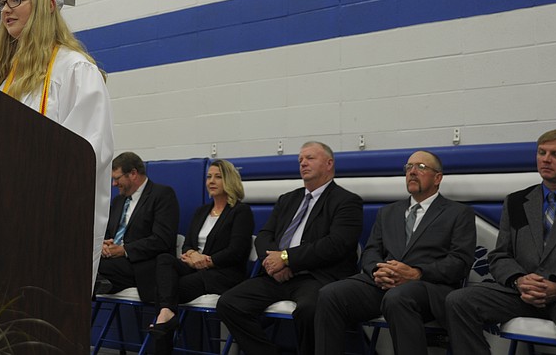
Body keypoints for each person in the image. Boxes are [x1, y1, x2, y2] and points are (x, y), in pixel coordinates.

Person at [0, 0, 114, 290]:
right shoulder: (2, 79)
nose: (7, 9)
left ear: (47, 6)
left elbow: (87, 153)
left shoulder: (75, 70)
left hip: (48, 225)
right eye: (2, 3)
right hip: (0, 220)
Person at [445, 129, 556, 354]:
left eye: (555, 154)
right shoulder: (516, 201)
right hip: (522, 292)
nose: (546, 159)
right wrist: (519, 281)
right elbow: (499, 256)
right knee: (459, 301)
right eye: (541, 152)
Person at [315, 150, 476, 354]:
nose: (412, 172)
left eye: (421, 167)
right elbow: (371, 251)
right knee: (330, 294)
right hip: (384, 283)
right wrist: (377, 270)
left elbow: (460, 262)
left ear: (438, 178)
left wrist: (416, 273)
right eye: (408, 167)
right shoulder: (388, 212)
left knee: (398, 297)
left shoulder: (458, 213)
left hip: (428, 287)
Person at [216, 141, 363, 355]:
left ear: (329, 163)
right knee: (229, 303)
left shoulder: (346, 201)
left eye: (310, 158)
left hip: (316, 277)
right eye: (300, 160)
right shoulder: (288, 199)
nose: (303, 163)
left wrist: (287, 258)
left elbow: (336, 245)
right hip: (277, 276)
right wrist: (275, 262)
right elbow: (264, 236)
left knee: (311, 310)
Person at [149, 159, 255, 354]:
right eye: (208, 177)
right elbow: (188, 243)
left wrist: (207, 261)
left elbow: (237, 250)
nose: (211, 181)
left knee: (167, 290)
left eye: (218, 177)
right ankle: (166, 314)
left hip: (224, 273)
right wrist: (191, 254)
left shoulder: (240, 212)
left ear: (230, 180)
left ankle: (162, 335)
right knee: (164, 260)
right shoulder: (202, 211)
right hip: (194, 267)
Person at [96, 151, 180, 303]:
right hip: (115, 264)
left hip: (143, 266)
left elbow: (162, 239)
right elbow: (108, 233)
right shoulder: (118, 202)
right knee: (86, 261)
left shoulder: (162, 195)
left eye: (116, 179)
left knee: (93, 267)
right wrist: (104, 245)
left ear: (133, 173)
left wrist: (124, 250)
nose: (114, 184)